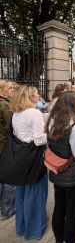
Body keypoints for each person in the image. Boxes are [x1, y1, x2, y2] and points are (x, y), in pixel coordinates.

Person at [45, 91, 75, 243]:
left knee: (59, 208)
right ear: (72, 105)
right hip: (74, 178)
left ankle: (59, 240)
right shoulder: (74, 128)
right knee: (72, 213)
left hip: (58, 173)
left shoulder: (51, 121)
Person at [10, 85, 48, 240]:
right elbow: (39, 140)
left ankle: (22, 227)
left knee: (22, 193)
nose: (38, 94)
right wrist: (49, 133)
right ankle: (35, 229)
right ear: (29, 96)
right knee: (36, 193)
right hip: (34, 157)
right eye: (36, 92)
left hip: (20, 157)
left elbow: (17, 134)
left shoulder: (16, 113)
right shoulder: (34, 113)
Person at [0, 79, 15, 220]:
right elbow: (11, 127)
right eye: (10, 88)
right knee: (8, 178)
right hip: (4, 146)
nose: (12, 90)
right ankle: (7, 209)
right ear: (2, 90)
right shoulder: (4, 105)